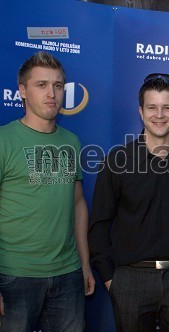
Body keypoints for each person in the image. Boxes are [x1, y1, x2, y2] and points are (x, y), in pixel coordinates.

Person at [88, 73, 169, 331]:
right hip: (130, 280)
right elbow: (99, 224)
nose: (159, 115)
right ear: (141, 112)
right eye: (152, 107)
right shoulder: (117, 160)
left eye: (167, 107)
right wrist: (110, 280)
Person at [0, 51, 95, 331]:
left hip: (67, 274)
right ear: (22, 91)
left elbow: (78, 205)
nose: (51, 93)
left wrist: (85, 264)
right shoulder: (4, 139)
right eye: (41, 85)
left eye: (57, 85)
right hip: (14, 276)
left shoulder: (72, 141)